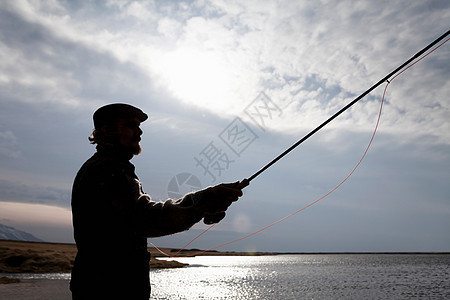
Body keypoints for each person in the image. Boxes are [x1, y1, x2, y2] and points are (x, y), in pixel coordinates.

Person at [70, 103, 245, 299]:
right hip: (108, 289)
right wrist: (205, 201)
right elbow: (145, 217)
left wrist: (206, 202)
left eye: (139, 126)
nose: (139, 132)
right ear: (106, 131)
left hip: (106, 286)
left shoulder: (111, 168)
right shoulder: (106, 170)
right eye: (131, 125)